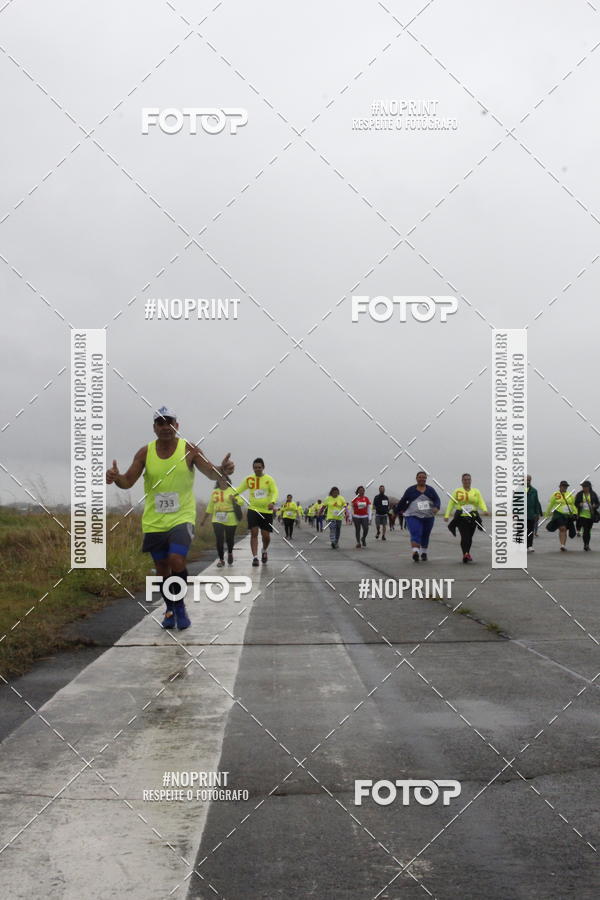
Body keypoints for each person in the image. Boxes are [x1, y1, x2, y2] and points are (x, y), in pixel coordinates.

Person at [106, 406, 234, 629]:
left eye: (169, 422)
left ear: (177, 425)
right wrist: (115, 477)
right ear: (154, 428)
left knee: (176, 559)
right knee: (162, 568)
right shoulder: (145, 453)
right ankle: (169, 608)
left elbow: (210, 472)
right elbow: (127, 482)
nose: (165, 427)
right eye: (160, 423)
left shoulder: (189, 449)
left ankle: (180, 606)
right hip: (154, 521)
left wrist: (223, 469)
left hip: (181, 517)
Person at [234, 458, 278, 567]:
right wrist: (233, 495)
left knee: (266, 536)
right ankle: (255, 557)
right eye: (255, 467)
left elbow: (275, 492)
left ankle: (264, 550)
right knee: (254, 533)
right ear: (253, 468)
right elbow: (239, 490)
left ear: (263, 467)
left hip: (266, 511)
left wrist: (272, 502)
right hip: (253, 510)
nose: (257, 469)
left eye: (259, 467)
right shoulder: (249, 479)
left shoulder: (269, 479)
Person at [396, 471, 440, 562]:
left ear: (426, 479)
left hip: (428, 516)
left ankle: (424, 552)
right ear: (416, 478)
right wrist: (395, 512)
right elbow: (403, 501)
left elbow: (437, 499)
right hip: (413, 515)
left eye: (423, 477)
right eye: (420, 477)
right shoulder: (410, 490)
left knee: (425, 534)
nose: (421, 479)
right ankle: (415, 552)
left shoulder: (430, 490)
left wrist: (436, 507)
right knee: (416, 532)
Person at [444, 474, 489, 563]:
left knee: (470, 537)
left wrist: (485, 510)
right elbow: (451, 503)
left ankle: (467, 553)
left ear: (471, 480)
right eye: (465, 480)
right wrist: (446, 515)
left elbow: (481, 501)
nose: (467, 481)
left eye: (468, 479)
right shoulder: (457, 491)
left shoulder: (476, 491)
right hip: (461, 517)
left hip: (473, 516)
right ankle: (465, 554)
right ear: (462, 481)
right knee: (465, 536)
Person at [201, 475, 239, 567]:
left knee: (230, 539)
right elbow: (210, 506)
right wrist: (204, 519)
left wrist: (234, 499)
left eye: (224, 479)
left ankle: (230, 552)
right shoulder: (215, 492)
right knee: (219, 539)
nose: (222, 481)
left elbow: (240, 502)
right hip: (217, 518)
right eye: (220, 480)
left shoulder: (233, 490)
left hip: (230, 518)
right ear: (218, 481)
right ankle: (221, 559)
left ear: (227, 481)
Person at [545, 480, 577, 551]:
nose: (564, 487)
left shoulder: (570, 494)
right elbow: (551, 504)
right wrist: (547, 513)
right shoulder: (556, 494)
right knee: (562, 528)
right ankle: (562, 545)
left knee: (565, 529)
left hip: (568, 515)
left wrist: (575, 512)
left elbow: (573, 505)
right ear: (560, 486)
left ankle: (563, 545)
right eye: (563, 486)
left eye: (566, 486)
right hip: (559, 514)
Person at [575, 480, 599, 551]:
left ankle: (587, 544)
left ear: (589, 487)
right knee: (585, 530)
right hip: (582, 515)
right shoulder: (580, 494)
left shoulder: (593, 494)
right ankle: (586, 545)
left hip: (591, 515)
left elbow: (598, 503)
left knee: (588, 530)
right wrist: (579, 504)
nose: (584, 488)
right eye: (583, 487)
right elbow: (575, 503)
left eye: (585, 487)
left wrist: (595, 506)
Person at [526, 475, 543, 552]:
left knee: (530, 530)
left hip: (531, 514)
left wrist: (537, 513)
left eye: (529, 480)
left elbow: (536, 502)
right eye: (526, 480)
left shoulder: (534, 491)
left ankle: (529, 545)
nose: (527, 481)